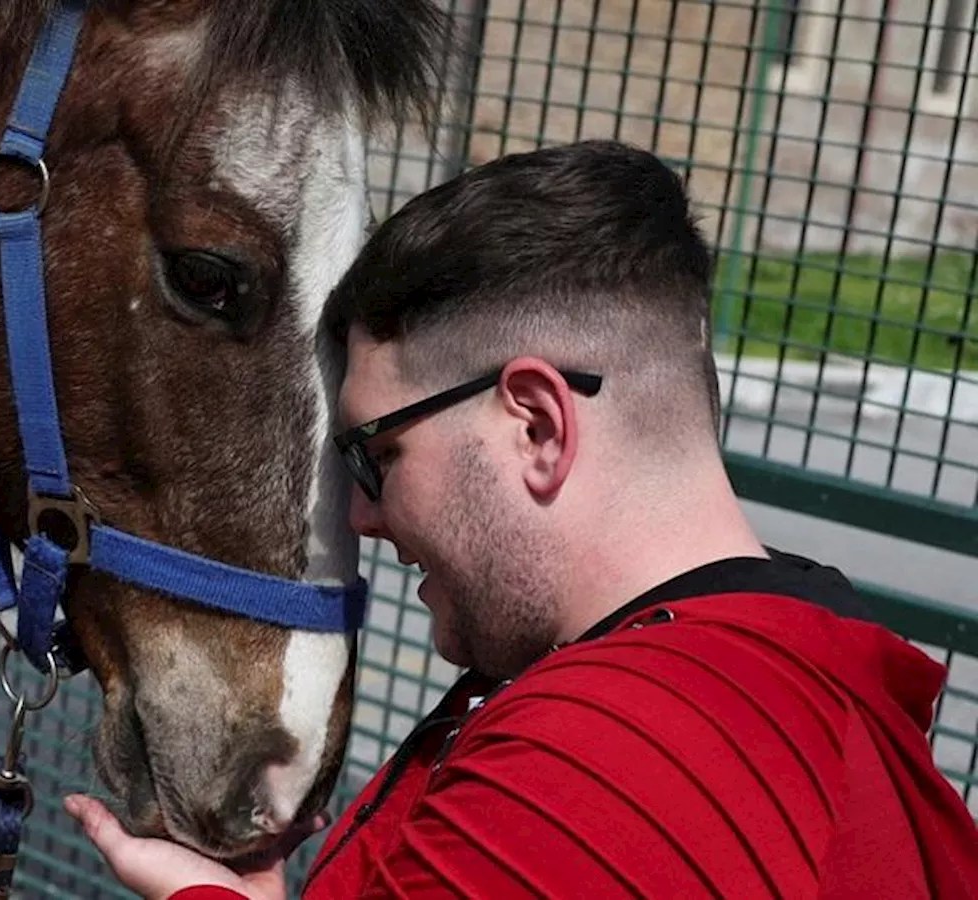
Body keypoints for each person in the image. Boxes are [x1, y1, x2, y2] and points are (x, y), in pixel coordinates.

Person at [62, 140, 978, 898]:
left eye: (375, 454)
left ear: (537, 424)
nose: (360, 515)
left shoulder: (603, 769)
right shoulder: (804, 671)